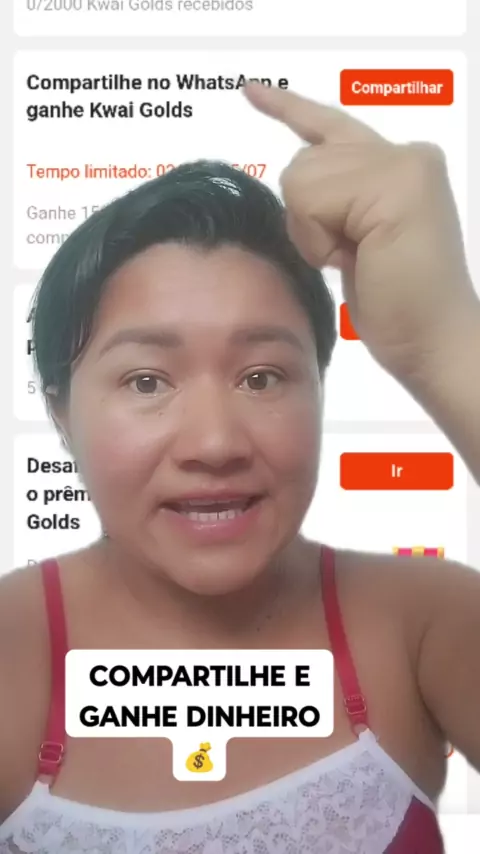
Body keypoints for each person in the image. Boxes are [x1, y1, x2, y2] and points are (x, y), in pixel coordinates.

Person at [0, 82, 479, 853]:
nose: (216, 442)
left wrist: (448, 347)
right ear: (60, 413)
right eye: (146, 382)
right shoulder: (10, 649)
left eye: (262, 377)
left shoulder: (424, 621)